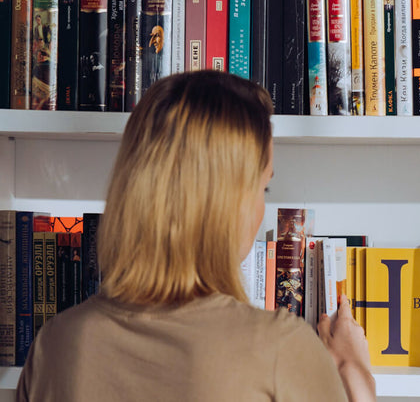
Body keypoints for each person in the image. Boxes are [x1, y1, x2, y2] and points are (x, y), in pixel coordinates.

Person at [17, 70, 375, 402]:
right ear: (224, 204)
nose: (260, 209)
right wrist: (353, 376)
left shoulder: (55, 344)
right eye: (262, 189)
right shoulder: (281, 348)